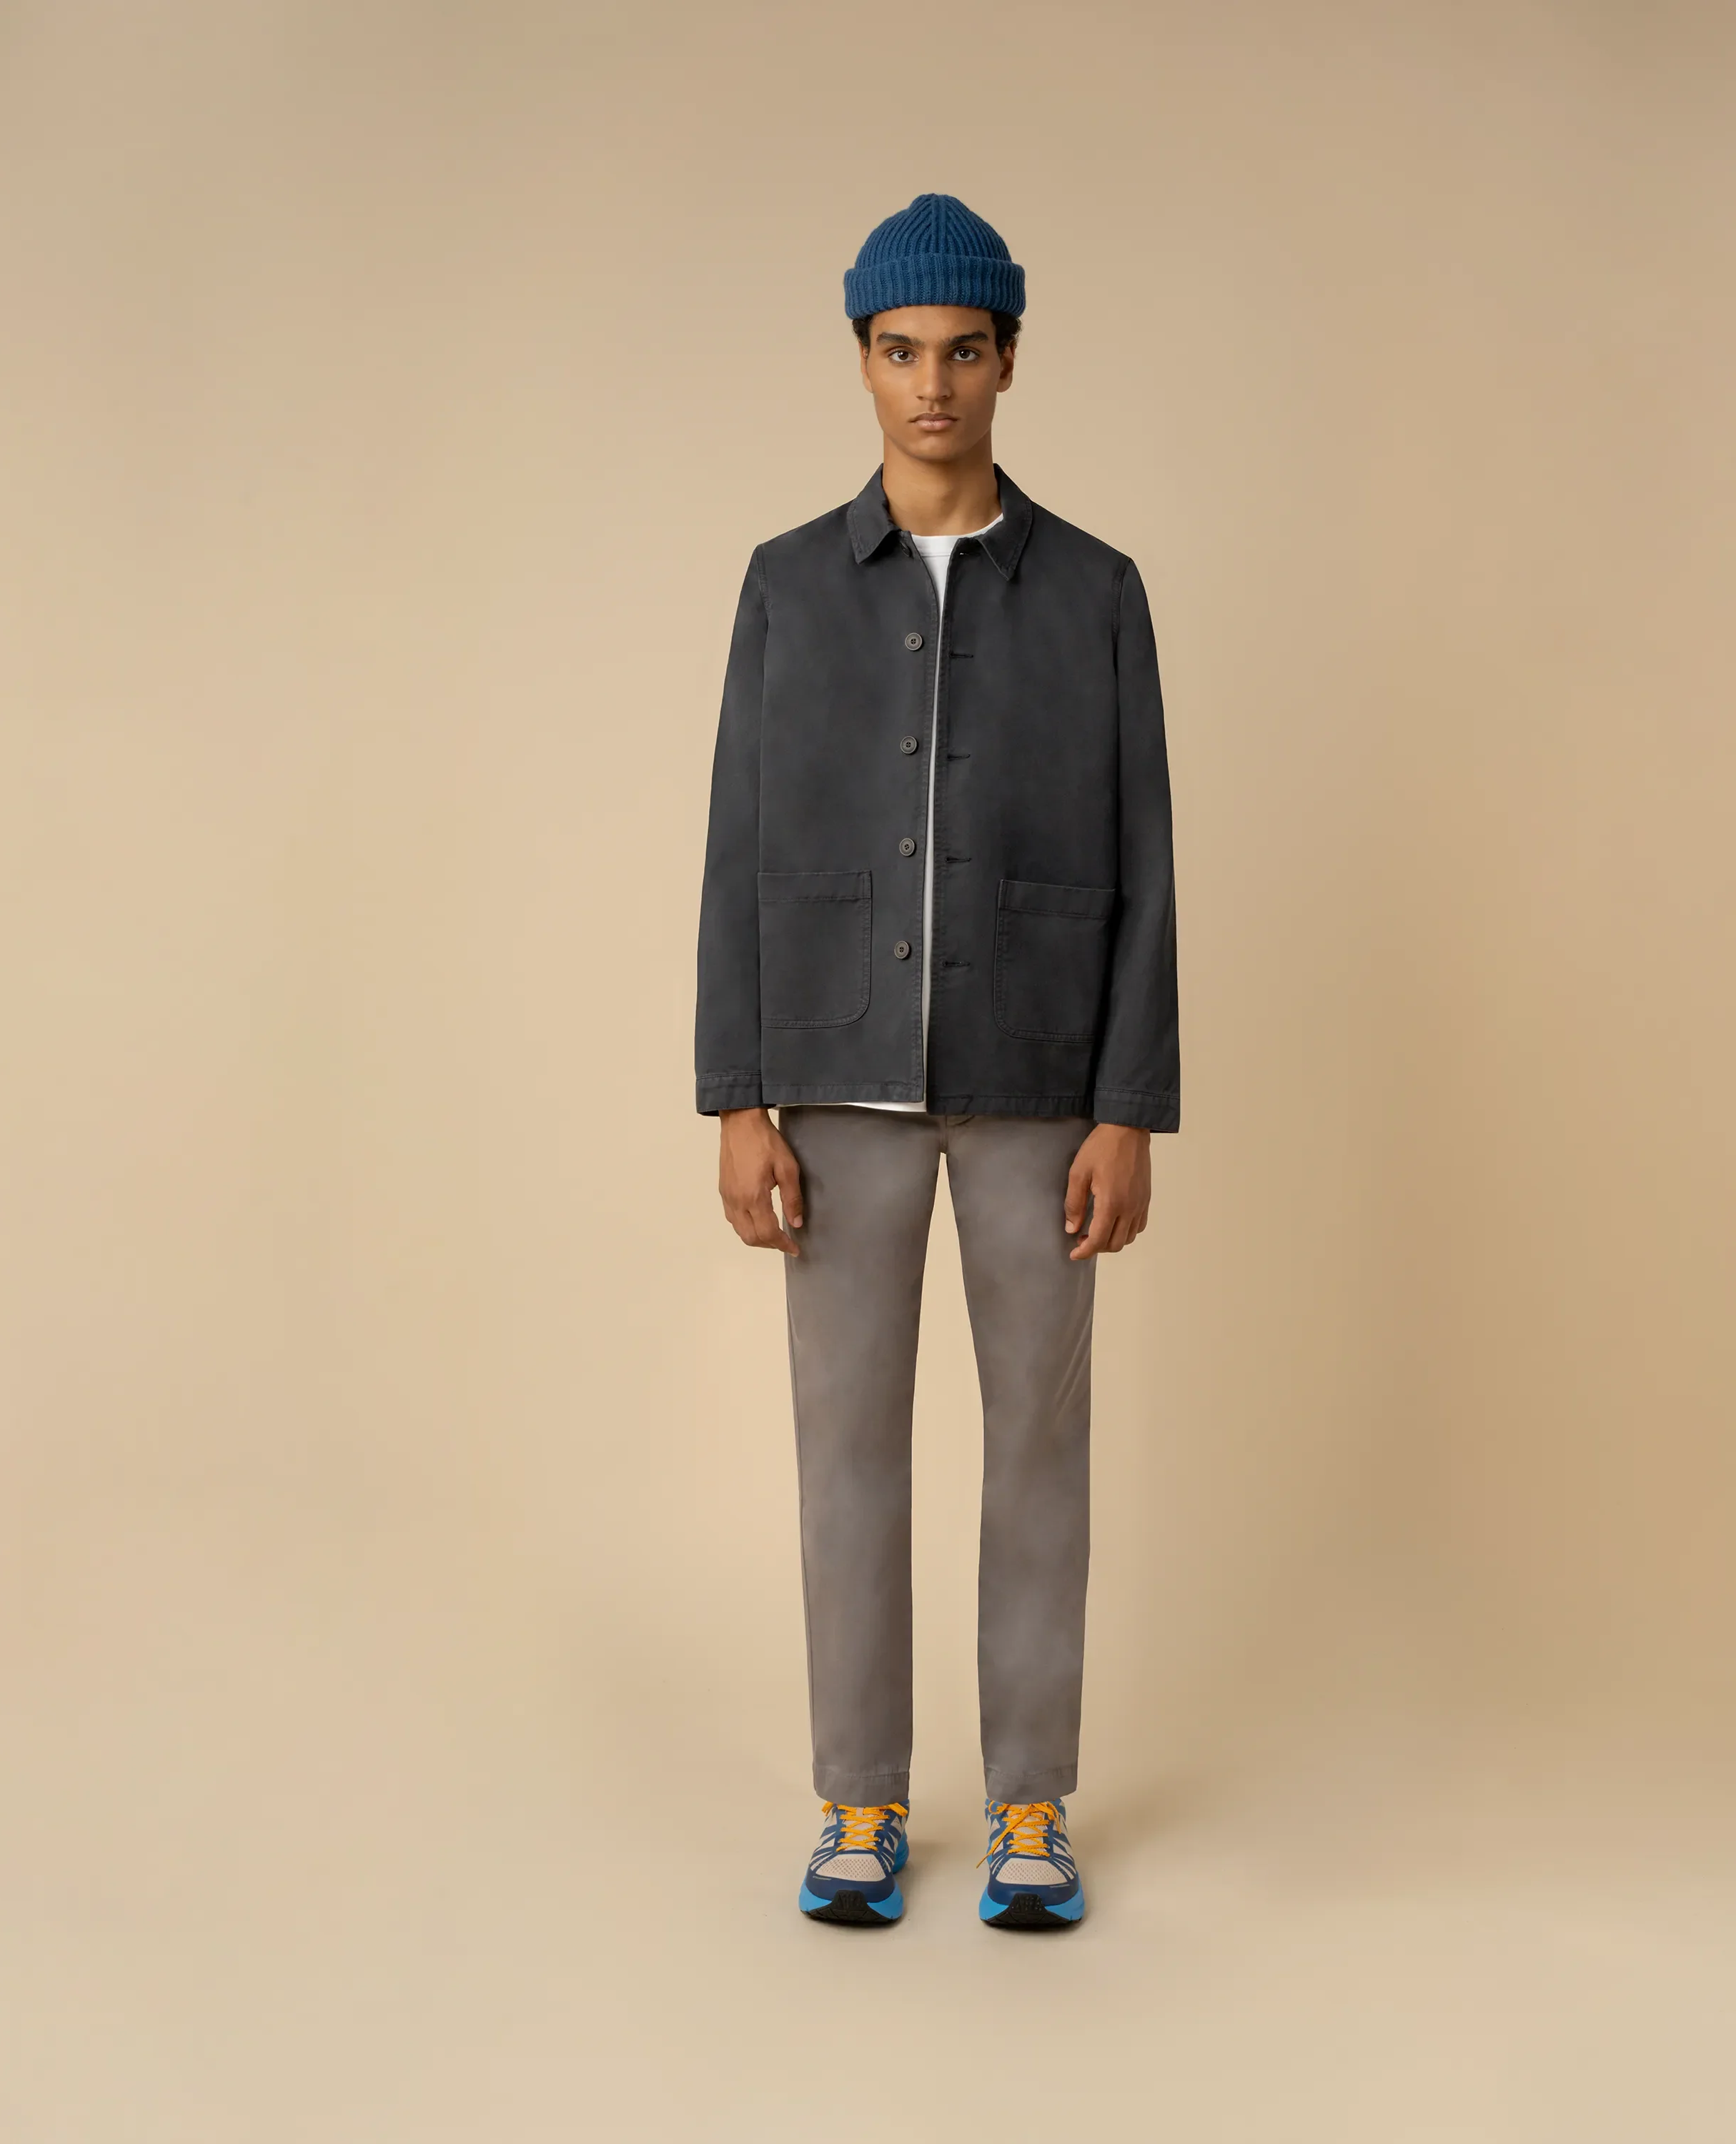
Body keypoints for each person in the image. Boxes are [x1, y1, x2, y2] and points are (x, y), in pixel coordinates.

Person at [694, 194, 1179, 1930]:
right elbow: (738, 848)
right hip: (834, 1082)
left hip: (1044, 1079)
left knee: (1041, 1450)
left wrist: (1127, 1107)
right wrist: (738, 1095)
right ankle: (862, 1799)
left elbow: (1148, 860)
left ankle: (1032, 1800)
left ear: (1009, 360)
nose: (933, 385)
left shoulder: (1098, 592)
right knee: (846, 1451)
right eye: (901, 351)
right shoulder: (786, 588)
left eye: (964, 351)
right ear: (863, 361)